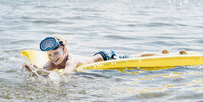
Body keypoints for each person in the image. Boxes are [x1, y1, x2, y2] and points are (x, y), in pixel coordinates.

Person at [23, 35, 188, 75]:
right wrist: (33, 70)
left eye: (56, 53)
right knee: (135, 55)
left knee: (135, 57)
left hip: (107, 56)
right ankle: (160, 52)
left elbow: (66, 74)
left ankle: (161, 54)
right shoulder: (52, 61)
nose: (52, 58)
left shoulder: (70, 60)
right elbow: (43, 70)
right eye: (50, 55)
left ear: (65, 50)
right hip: (96, 55)